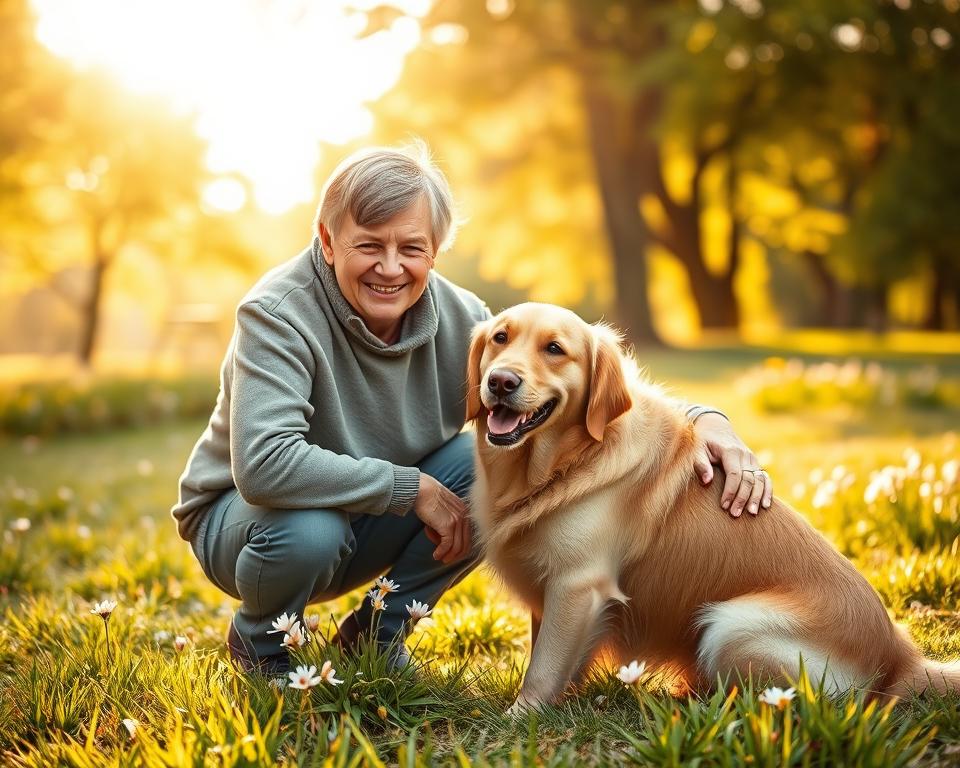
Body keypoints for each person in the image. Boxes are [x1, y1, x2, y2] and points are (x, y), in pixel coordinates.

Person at [170, 141, 773, 674]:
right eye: (368, 246)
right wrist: (414, 490)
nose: (390, 267)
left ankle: (378, 635)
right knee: (312, 529)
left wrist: (705, 421)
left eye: (412, 247)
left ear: (436, 250)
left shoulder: (469, 322)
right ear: (327, 241)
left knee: (488, 465)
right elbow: (265, 464)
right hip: (252, 520)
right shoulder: (276, 314)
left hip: (366, 512)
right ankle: (262, 645)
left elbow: (577, 376)